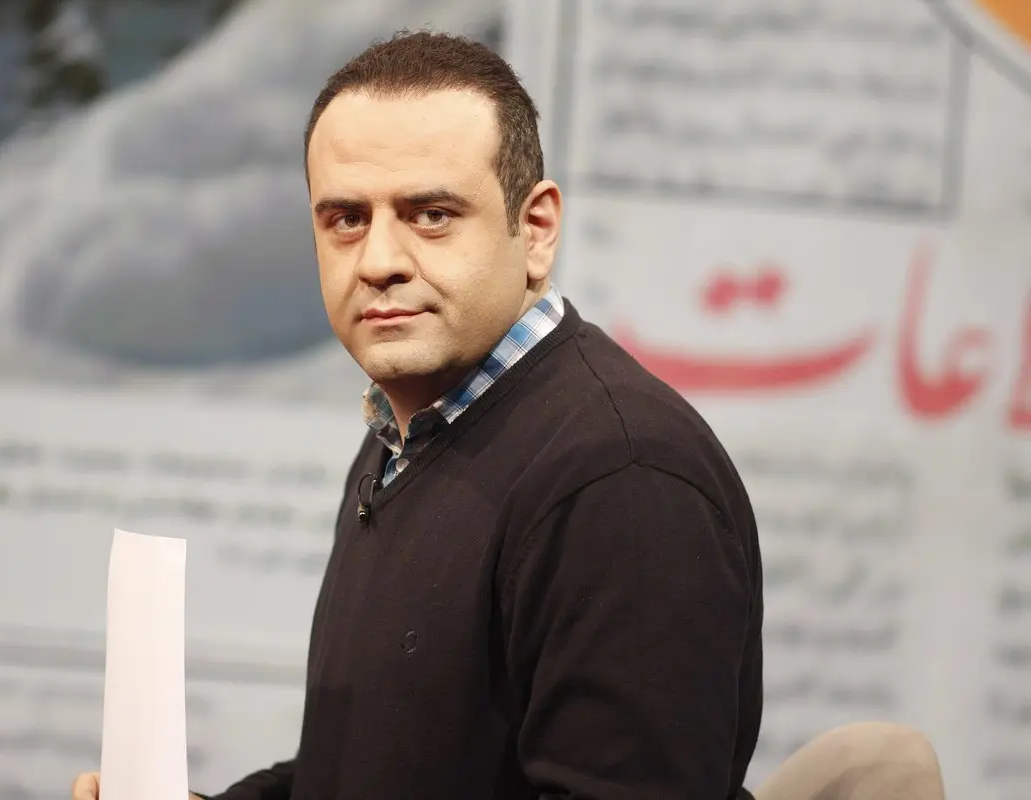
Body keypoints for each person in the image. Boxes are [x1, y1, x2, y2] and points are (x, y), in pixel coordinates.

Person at [73, 29, 763, 800]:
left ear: (536, 231)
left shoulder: (622, 481)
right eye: (345, 219)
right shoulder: (406, 437)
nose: (378, 261)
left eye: (431, 214)